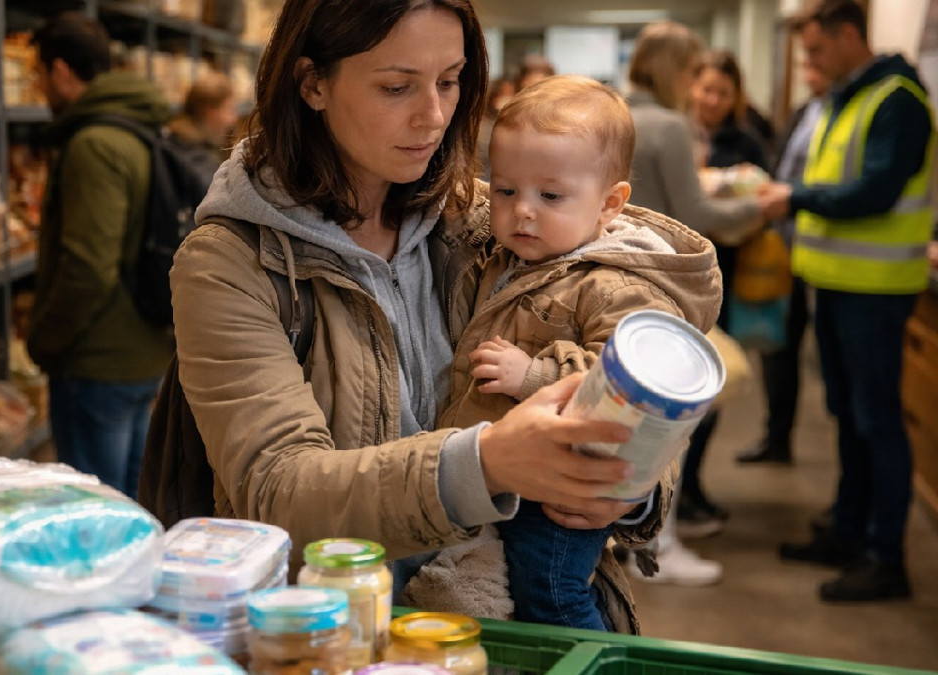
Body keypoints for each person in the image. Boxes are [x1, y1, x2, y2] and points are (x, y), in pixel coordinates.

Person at [168, 0, 670, 633]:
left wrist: (631, 481)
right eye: (396, 86)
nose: (433, 117)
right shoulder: (232, 262)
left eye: (451, 80)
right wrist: (487, 463)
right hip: (344, 632)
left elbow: (633, 307)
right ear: (312, 82)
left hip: (519, 615)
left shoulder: (481, 217)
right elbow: (277, 491)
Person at [437, 75, 721, 629]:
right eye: (505, 190)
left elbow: (626, 387)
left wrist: (534, 375)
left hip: (564, 489)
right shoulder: (511, 255)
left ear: (609, 204)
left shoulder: (616, 285)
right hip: (507, 474)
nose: (522, 212)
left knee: (553, 592)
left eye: (550, 196)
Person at [759, 0, 933, 602]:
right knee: (847, 415)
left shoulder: (898, 102)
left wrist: (795, 197)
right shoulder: (849, 97)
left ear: (850, 34)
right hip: (835, 281)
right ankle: (849, 527)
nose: (810, 59)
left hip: (876, 290)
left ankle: (887, 558)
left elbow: (877, 191)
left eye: (815, 48)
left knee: (877, 420)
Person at [624, 20, 767, 585]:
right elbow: (699, 219)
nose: (694, 85)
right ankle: (658, 543)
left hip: (609, 285)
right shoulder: (670, 126)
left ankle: (627, 540)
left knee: (629, 421)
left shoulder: (610, 112)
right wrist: (762, 211)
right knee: (671, 425)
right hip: (666, 290)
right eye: (690, 72)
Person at [26, 13, 173, 495]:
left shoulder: (94, 144)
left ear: (63, 72)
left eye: (40, 73)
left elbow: (88, 268)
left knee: (95, 506)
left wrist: (45, 339)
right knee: (130, 498)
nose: (37, 86)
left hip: (96, 361)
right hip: (140, 349)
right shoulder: (137, 129)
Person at [675, 48, 772, 537]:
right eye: (706, 88)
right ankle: (675, 492)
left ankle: (690, 484)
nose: (711, 100)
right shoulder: (675, 132)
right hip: (679, 273)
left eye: (723, 92)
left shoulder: (747, 141)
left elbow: (763, 203)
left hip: (726, 274)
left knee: (713, 382)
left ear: (735, 97)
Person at [737, 62, 830, 465]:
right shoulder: (804, 112)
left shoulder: (843, 113)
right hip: (787, 252)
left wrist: (792, 200)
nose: (809, 69)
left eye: (816, 56)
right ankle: (777, 437)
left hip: (827, 257)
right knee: (778, 350)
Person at [166, 70, 240, 180]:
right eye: (229, 109)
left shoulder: (179, 141)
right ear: (211, 113)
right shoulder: (195, 159)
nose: (234, 119)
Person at [477, 76, 517, 179]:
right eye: (503, 94)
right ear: (494, 97)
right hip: (486, 178)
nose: (507, 99)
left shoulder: (519, 122)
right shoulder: (482, 124)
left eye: (511, 94)